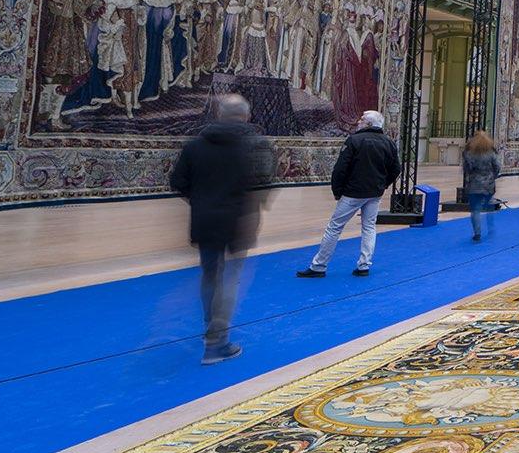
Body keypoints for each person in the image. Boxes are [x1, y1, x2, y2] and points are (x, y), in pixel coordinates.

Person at [168, 94, 271, 364]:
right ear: (246, 116)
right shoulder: (255, 145)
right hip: (239, 221)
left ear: (219, 115)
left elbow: (177, 180)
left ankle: (209, 326)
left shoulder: (195, 146)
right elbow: (263, 185)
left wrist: (200, 200)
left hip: (205, 219)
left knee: (210, 275)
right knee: (231, 280)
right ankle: (217, 343)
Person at [296, 110, 400, 279]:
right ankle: (364, 264)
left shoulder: (355, 141)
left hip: (353, 192)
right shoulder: (388, 142)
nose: (358, 121)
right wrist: (383, 184)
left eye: (362, 119)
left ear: (368, 124)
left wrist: (337, 191)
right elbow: (396, 169)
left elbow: (341, 168)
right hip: (375, 192)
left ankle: (319, 266)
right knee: (369, 227)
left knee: (334, 227)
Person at [460, 131, 501, 242]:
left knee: (475, 210)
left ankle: (477, 233)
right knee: (489, 205)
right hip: (488, 184)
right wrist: (493, 176)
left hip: (474, 184)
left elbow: (467, 169)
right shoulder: (491, 153)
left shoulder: (469, 153)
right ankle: (490, 226)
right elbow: (497, 167)